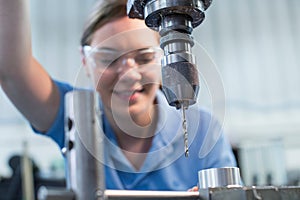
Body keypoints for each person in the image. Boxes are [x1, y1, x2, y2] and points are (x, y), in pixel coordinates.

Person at [0, 0, 236, 190]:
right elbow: (12, 71)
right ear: (86, 61)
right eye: (109, 59)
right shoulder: (74, 116)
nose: (129, 75)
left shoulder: (203, 129)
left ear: (161, 60)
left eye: (143, 58)